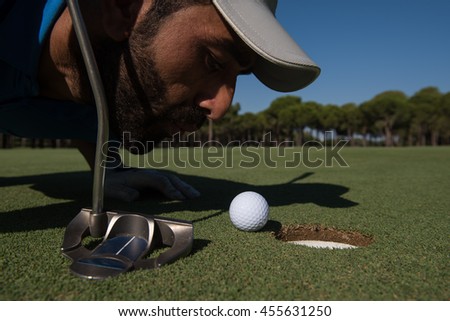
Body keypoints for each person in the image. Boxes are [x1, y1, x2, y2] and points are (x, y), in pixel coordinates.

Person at [0, 0, 320, 202]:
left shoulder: (108, 90)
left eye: (239, 75)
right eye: (213, 60)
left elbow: (87, 120)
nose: (221, 107)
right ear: (123, 8)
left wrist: (108, 169)